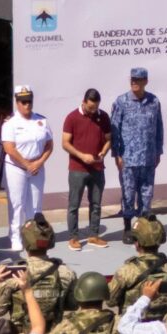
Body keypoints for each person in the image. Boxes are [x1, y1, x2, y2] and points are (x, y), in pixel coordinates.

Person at [110, 68, 166, 237]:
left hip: (148, 157)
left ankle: (142, 229)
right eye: (132, 79)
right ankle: (128, 229)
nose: (134, 82)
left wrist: (158, 152)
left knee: (146, 195)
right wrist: (116, 155)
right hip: (128, 159)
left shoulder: (154, 101)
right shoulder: (121, 101)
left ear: (145, 81)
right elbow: (114, 129)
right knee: (128, 195)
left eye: (138, 79)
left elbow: (159, 127)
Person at [0, 87, 54, 252]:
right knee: (17, 204)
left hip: (37, 167)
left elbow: (49, 145)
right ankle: (15, 236)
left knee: (35, 205)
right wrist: (27, 165)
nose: (27, 105)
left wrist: (39, 162)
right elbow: (9, 148)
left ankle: (32, 235)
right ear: (17, 102)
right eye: (23, 102)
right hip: (17, 167)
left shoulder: (41, 121)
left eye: (29, 101)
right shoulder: (10, 123)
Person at [60, 88, 113, 246]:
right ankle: (73, 237)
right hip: (77, 169)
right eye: (90, 107)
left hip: (97, 169)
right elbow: (65, 143)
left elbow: (109, 139)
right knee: (74, 204)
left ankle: (93, 235)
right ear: (83, 102)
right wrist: (82, 156)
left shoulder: (103, 117)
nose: (93, 110)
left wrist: (103, 152)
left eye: (96, 107)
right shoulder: (72, 117)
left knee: (96, 204)